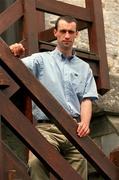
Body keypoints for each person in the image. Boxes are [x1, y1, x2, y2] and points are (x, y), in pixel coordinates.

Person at [10, 15, 98, 180]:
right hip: (46, 128)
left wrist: (85, 122)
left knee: (80, 166)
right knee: (36, 163)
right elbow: (16, 69)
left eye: (71, 32)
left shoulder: (84, 68)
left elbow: (87, 98)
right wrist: (15, 53)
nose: (67, 36)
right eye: (63, 31)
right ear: (55, 32)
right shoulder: (41, 60)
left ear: (76, 34)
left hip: (74, 129)